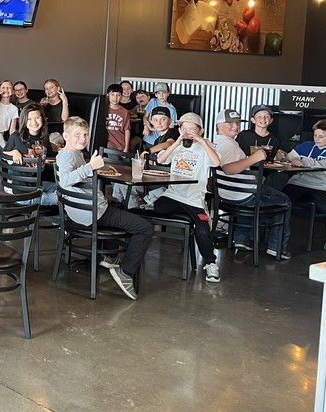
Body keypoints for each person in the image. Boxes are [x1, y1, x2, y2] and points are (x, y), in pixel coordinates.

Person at [56, 117, 153, 300]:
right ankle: (125, 272)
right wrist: (90, 167)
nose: (83, 138)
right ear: (66, 136)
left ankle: (109, 257)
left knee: (116, 205)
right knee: (145, 228)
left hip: (82, 211)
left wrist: (94, 169)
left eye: (85, 134)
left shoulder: (72, 153)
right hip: (92, 212)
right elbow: (66, 180)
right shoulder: (69, 155)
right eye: (77, 134)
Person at [153, 112, 223, 283]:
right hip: (173, 195)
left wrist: (202, 141)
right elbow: (161, 160)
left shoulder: (206, 146)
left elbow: (216, 163)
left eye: (193, 130)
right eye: (184, 129)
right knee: (157, 207)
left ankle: (211, 263)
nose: (188, 133)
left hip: (194, 199)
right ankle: (190, 216)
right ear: (179, 130)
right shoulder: (177, 145)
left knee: (202, 229)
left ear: (201, 131)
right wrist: (177, 142)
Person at [213, 108, 292, 259]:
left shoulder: (217, 143)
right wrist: (255, 158)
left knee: (252, 191)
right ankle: (276, 248)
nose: (235, 126)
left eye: (237, 122)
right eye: (230, 123)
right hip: (243, 196)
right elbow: (228, 169)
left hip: (225, 195)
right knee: (285, 201)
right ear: (219, 125)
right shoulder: (229, 145)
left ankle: (241, 240)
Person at [283, 119, 326, 251]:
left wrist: (305, 162)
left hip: (321, 186)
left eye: (321, 136)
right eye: (315, 135)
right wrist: (282, 157)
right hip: (298, 183)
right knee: (282, 200)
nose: (317, 139)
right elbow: (288, 158)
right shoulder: (306, 146)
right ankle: (277, 232)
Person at [3, 103, 55, 205]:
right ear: (24, 120)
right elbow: (3, 154)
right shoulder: (16, 136)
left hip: (37, 183)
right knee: (54, 197)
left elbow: (50, 155)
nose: (34, 122)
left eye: (37, 118)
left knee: (59, 188)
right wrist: (14, 152)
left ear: (43, 119)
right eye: (29, 119)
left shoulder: (44, 137)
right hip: (20, 188)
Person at [0, 80, 19, 162]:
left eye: (9, 87)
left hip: (1, 135)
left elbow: (12, 130)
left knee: (7, 152)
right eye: (3, 87)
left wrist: (15, 143)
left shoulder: (14, 109)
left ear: (13, 91)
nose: (6, 89)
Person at [102, 84, 131, 152]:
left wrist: (126, 147)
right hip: (109, 144)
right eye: (112, 95)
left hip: (121, 143)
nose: (115, 98)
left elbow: (127, 130)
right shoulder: (103, 109)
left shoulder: (124, 111)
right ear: (108, 95)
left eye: (118, 95)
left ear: (121, 96)